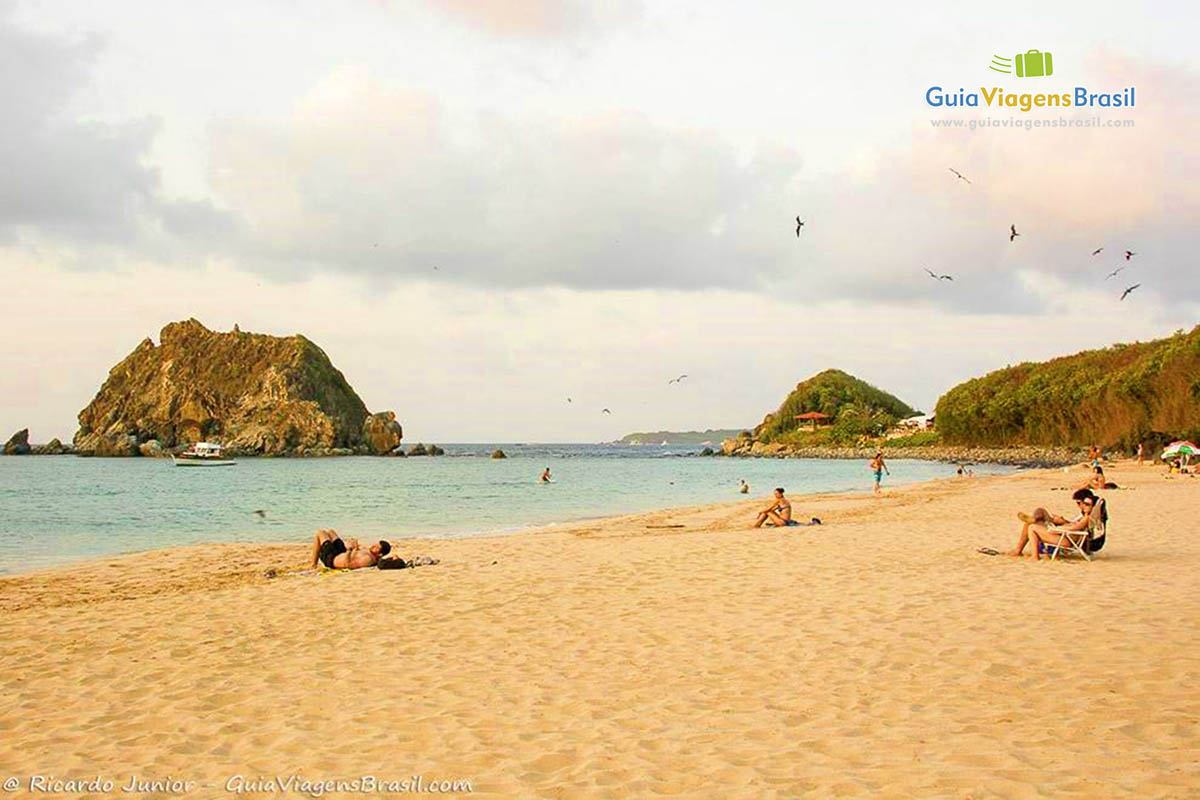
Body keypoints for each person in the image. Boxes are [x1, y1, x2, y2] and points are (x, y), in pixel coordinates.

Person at [1009, 489, 1105, 560]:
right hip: (1065, 536)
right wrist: (1064, 522)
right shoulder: (1085, 516)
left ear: (1093, 507)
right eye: (1083, 503)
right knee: (1037, 515)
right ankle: (1019, 549)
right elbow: (1074, 526)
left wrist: (1059, 527)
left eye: (1087, 504)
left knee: (1032, 527)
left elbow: (1075, 528)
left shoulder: (1086, 518)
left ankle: (1035, 556)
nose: (1083, 505)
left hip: (1066, 540)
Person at [310, 529, 390, 570]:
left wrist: (350, 549)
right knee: (331, 532)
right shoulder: (371, 554)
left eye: (376, 548)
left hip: (332, 559)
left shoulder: (368, 559)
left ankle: (314, 564)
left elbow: (348, 564)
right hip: (341, 553)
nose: (373, 546)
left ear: (380, 554)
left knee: (320, 533)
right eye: (375, 544)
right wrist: (356, 547)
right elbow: (356, 555)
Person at [753, 488, 821, 528]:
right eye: (774, 494)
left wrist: (760, 512)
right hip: (785, 521)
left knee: (767, 511)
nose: (775, 495)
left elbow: (768, 509)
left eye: (776, 494)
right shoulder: (784, 500)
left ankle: (757, 525)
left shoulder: (779, 500)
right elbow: (772, 510)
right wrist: (764, 512)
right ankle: (757, 525)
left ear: (781, 494)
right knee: (767, 512)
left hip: (783, 522)